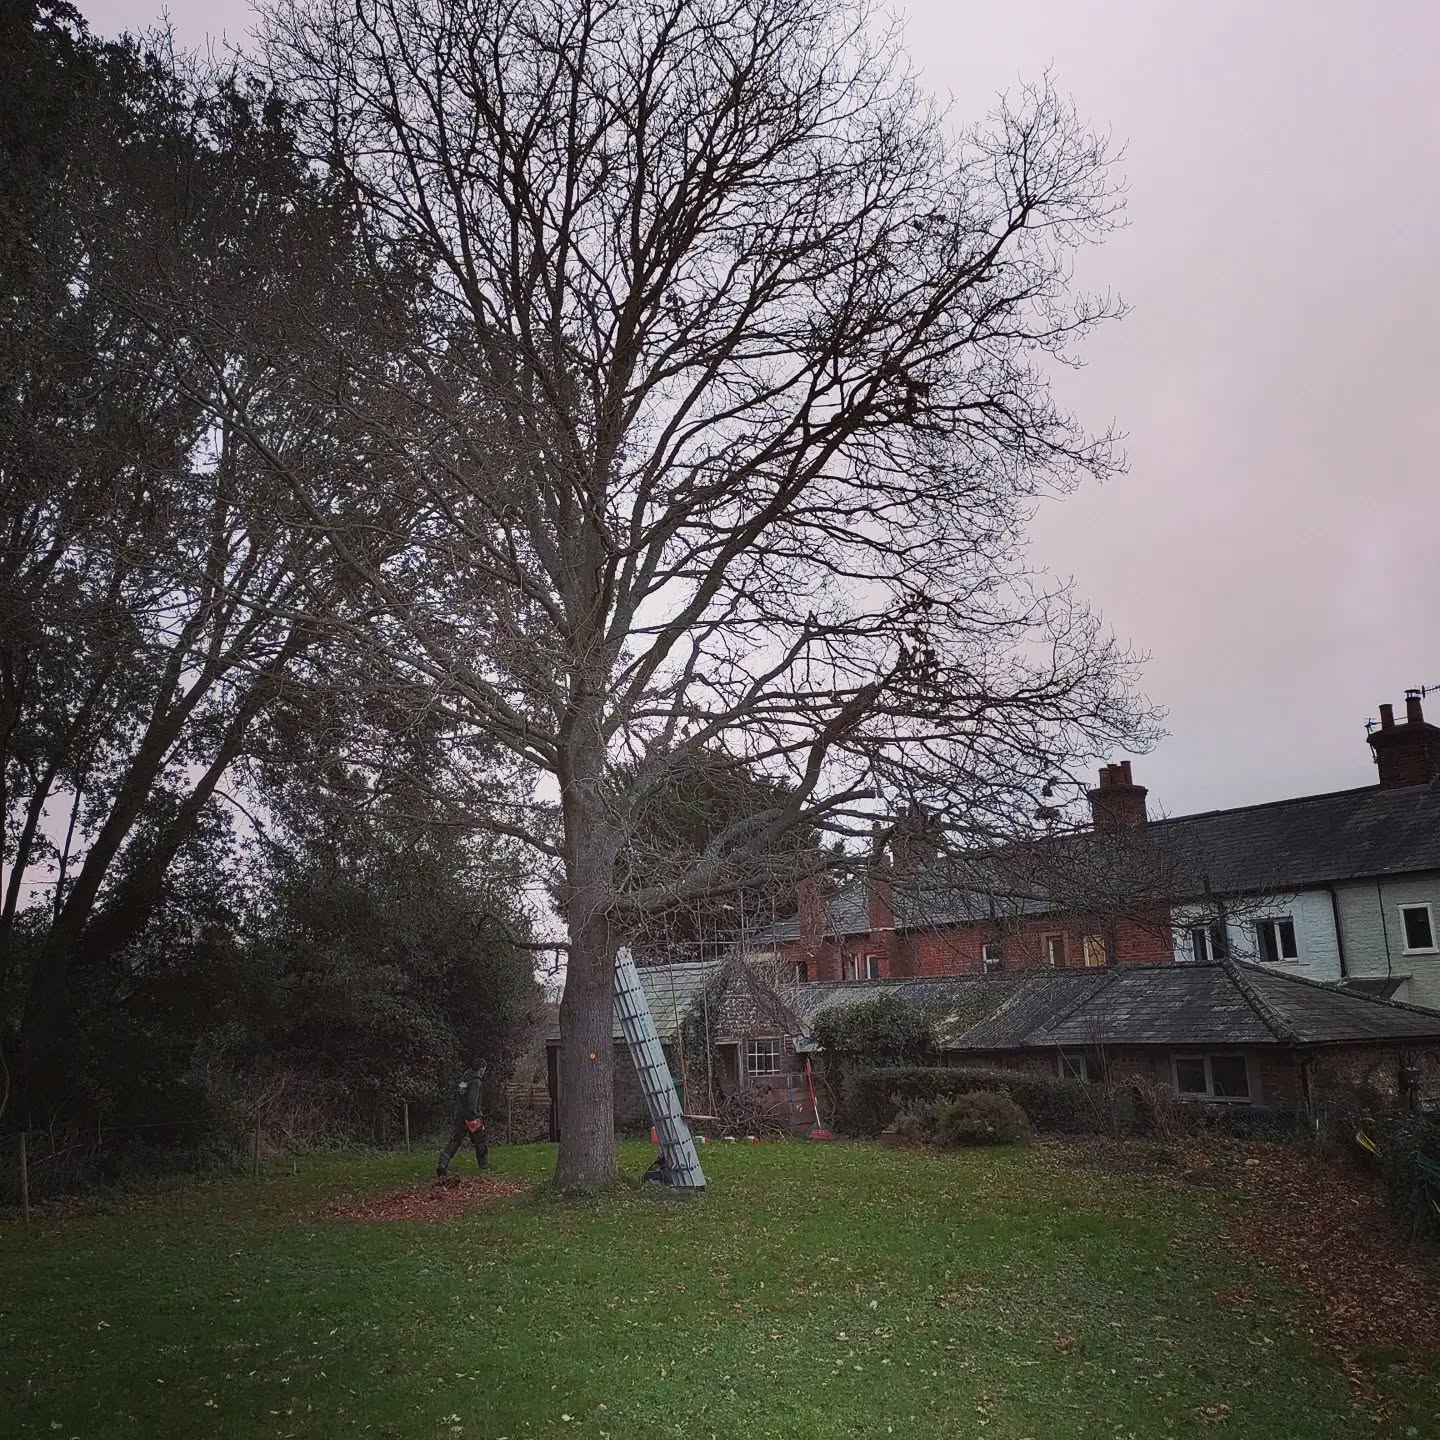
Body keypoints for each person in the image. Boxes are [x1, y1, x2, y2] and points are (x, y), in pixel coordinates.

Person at [437, 1061, 488, 1177]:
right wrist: (476, 1115)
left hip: (459, 1116)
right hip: (471, 1118)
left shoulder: (464, 1080)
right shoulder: (476, 1082)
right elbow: (472, 1102)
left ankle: (442, 1164)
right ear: (481, 1069)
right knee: (480, 1140)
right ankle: (484, 1166)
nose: (484, 1072)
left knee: (456, 1140)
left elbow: (458, 1096)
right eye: (484, 1069)